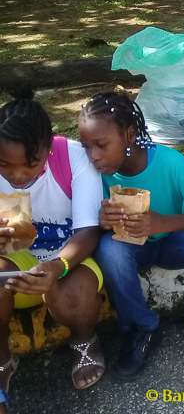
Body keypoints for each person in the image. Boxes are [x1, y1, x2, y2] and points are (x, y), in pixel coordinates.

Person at [78, 92, 184, 380]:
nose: (93, 156)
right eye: (86, 147)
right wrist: (101, 223)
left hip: (174, 244)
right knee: (109, 249)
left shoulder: (170, 163)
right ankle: (142, 325)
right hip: (131, 249)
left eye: (101, 145)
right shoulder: (94, 175)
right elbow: (87, 229)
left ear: (130, 135)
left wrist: (161, 223)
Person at [0, 88, 104, 408]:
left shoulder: (73, 158)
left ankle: (84, 339)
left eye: (30, 164)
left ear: (48, 148)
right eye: (5, 165)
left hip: (70, 255)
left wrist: (58, 266)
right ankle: (2, 357)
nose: (17, 176)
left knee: (73, 291)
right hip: (15, 261)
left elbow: (87, 231)